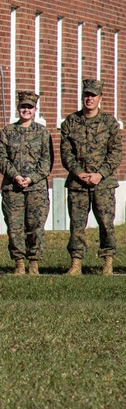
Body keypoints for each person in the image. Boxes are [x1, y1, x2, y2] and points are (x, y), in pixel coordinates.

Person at [60, 79, 122, 275]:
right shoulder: (70, 122)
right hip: (78, 183)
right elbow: (66, 153)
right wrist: (78, 173)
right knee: (77, 224)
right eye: (86, 95)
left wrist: (99, 174)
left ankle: (107, 262)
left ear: (100, 98)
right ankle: (76, 263)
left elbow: (115, 153)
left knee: (106, 223)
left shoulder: (109, 123)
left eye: (93, 95)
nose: (89, 98)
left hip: (102, 184)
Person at [0, 92, 53, 276]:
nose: (26, 110)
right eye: (23, 107)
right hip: (13, 188)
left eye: (29, 107)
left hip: (36, 189)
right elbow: (1, 157)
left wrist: (32, 178)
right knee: (14, 227)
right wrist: (15, 176)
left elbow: (47, 160)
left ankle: (33, 263)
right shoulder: (7, 132)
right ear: (18, 109)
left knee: (35, 227)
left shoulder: (43, 133)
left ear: (35, 110)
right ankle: (19, 263)